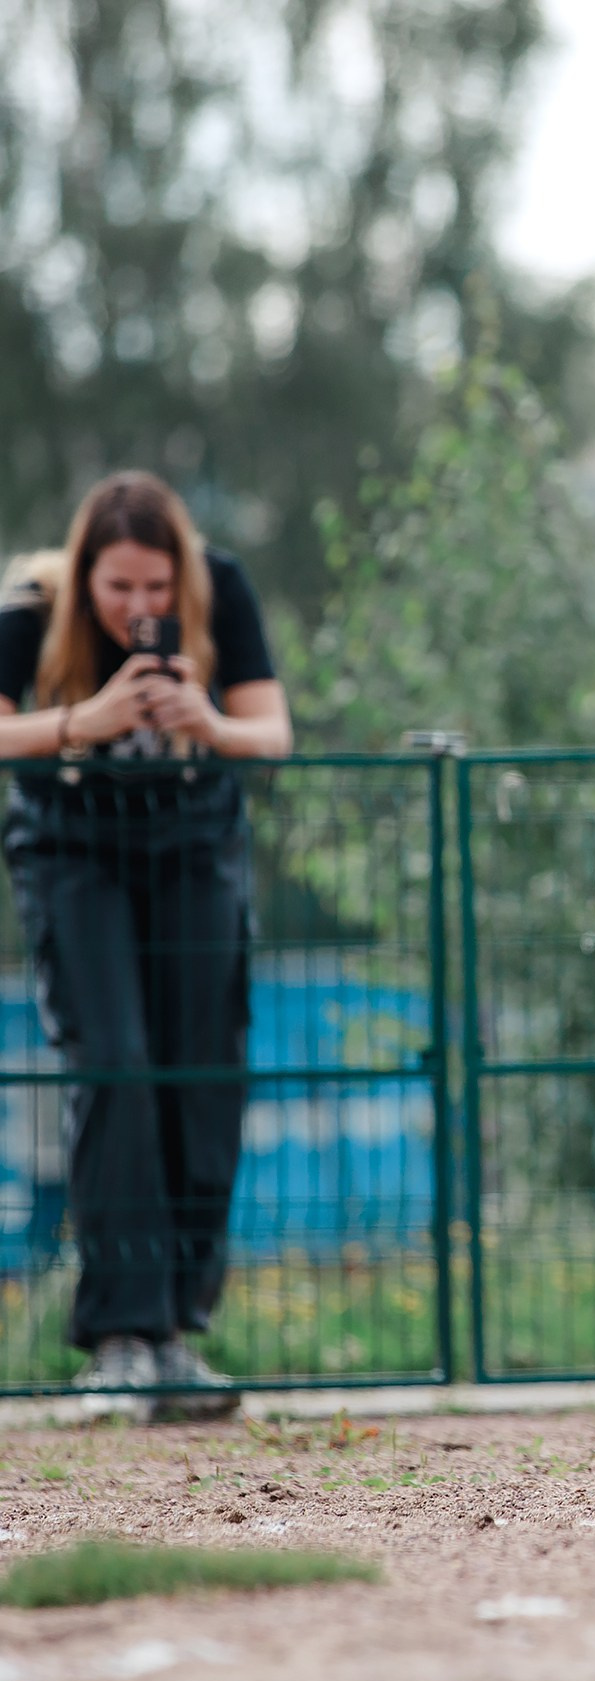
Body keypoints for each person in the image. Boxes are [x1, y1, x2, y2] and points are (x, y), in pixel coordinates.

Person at [0, 472, 293, 1415]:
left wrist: (205, 722)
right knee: (117, 1066)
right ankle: (119, 1336)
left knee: (202, 1072)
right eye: (120, 588)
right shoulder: (29, 607)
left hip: (193, 849)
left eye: (158, 590)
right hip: (74, 853)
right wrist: (88, 721)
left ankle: (173, 1333)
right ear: (85, 573)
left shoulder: (227, 588)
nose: (140, 608)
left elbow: (273, 731)